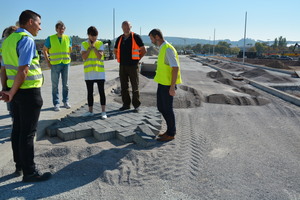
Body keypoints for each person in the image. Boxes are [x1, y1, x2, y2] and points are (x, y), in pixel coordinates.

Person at [0, 10, 52, 182]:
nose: (40, 27)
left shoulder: (8, 41)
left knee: (18, 130)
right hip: (28, 91)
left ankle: (19, 165)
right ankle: (30, 172)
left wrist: (8, 91)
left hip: (14, 92)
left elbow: (5, 69)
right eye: (39, 23)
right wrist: (11, 92)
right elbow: (23, 70)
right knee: (28, 133)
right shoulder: (26, 39)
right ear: (30, 22)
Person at [148, 29, 182, 142]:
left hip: (168, 85)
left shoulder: (167, 49)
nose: (151, 40)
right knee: (161, 108)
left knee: (167, 109)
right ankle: (169, 130)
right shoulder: (163, 48)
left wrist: (172, 87)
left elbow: (175, 67)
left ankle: (171, 133)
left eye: (151, 38)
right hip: (162, 83)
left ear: (157, 37)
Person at [114, 21, 146, 112]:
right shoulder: (119, 38)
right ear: (122, 28)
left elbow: (143, 50)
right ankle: (126, 104)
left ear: (130, 27)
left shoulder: (136, 37)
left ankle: (136, 105)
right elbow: (115, 50)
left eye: (127, 27)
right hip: (122, 66)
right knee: (124, 86)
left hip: (133, 66)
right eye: (124, 28)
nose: (126, 29)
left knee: (135, 86)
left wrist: (137, 60)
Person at [42, 21, 72, 111]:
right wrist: (48, 62)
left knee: (65, 85)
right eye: (59, 28)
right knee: (55, 85)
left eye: (62, 28)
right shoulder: (50, 38)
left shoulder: (68, 38)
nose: (61, 30)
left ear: (64, 29)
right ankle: (56, 103)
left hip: (66, 64)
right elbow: (44, 50)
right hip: (55, 64)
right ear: (56, 29)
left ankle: (66, 101)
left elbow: (69, 50)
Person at [81, 26, 107, 119]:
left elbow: (100, 56)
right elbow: (84, 57)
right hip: (89, 73)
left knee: (101, 92)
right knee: (90, 92)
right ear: (88, 35)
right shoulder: (84, 44)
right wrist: (89, 48)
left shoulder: (100, 43)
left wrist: (94, 47)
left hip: (99, 72)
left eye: (95, 36)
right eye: (92, 36)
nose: (94, 38)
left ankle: (103, 111)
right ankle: (90, 111)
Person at [1, 26, 18, 119]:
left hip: (11, 79)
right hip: (14, 79)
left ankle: (13, 116)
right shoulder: (6, 45)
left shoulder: (5, 45)